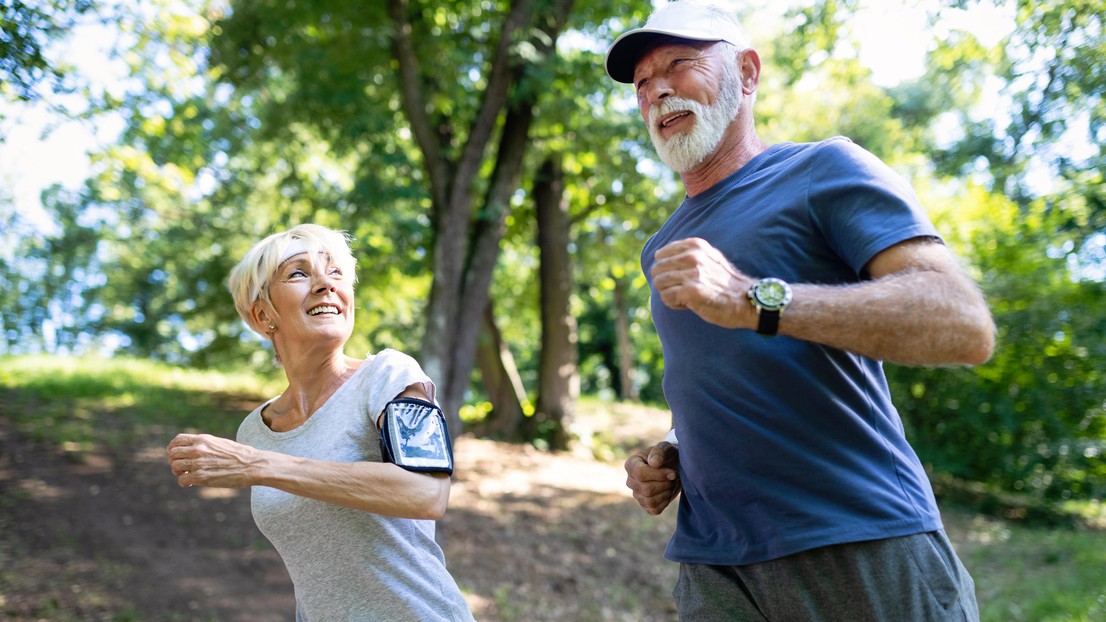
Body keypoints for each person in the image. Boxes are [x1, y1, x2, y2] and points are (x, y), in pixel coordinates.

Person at [605, 2, 995, 620]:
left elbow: (962, 323)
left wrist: (755, 298)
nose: (657, 91)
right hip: (713, 563)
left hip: (858, 536)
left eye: (679, 64)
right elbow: (730, 373)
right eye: (643, 83)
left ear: (748, 73)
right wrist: (674, 449)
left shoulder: (823, 168)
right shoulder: (662, 245)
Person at [166, 224, 474, 622]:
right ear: (263, 314)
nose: (325, 285)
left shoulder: (388, 375)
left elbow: (426, 493)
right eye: (299, 273)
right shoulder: (255, 432)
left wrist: (259, 465)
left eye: (336, 273)